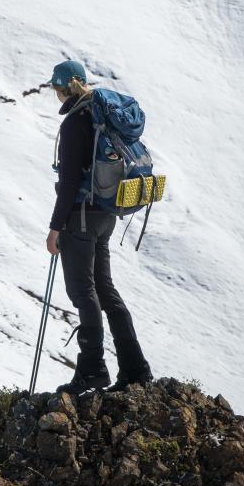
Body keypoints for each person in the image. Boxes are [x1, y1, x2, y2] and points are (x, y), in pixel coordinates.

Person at [45, 59, 153, 395]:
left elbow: (69, 180)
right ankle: (135, 368)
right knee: (105, 289)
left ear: (63, 87)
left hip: (80, 217)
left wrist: (55, 227)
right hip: (107, 213)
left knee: (83, 292)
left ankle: (92, 370)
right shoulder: (100, 115)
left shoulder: (77, 121)